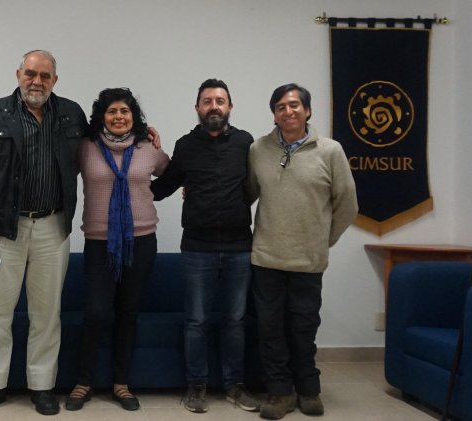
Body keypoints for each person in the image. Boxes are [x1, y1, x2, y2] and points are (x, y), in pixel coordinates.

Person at [0, 49, 88, 416]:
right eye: (31, 73)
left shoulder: (72, 114)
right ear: (18, 74)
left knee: (47, 312)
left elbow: (105, 141)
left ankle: (42, 385)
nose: (37, 82)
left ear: (55, 80)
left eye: (45, 76)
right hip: (4, 229)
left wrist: (144, 134)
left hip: (53, 226)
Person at [247, 83, 358, 420]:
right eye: (281, 106)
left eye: (294, 105)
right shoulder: (258, 149)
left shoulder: (331, 151)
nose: (288, 111)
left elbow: (347, 205)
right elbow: (247, 193)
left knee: (303, 328)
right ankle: (280, 392)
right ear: (274, 114)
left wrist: (323, 241)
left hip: (309, 260)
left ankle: (309, 390)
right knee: (270, 330)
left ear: (307, 111)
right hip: (267, 257)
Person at [151, 78, 260, 414]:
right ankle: (196, 386)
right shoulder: (186, 146)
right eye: (207, 101)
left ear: (230, 106)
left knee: (235, 321)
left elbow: (255, 186)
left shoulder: (246, 143)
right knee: (196, 321)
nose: (214, 106)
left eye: (220, 100)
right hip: (197, 248)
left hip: (240, 247)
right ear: (197, 107)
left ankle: (234, 386)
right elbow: (162, 188)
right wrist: (144, 155)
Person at [65, 88, 169, 412]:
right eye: (112, 111)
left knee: (128, 313)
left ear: (134, 116)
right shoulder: (86, 147)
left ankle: (121, 384)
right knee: (96, 313)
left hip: (141, 241)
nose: (119, 116)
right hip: (100, 243)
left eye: (125, 111)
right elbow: (61, 172)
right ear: (102, 116)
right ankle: (83, 382)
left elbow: (172, 175)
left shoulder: (148, 147)